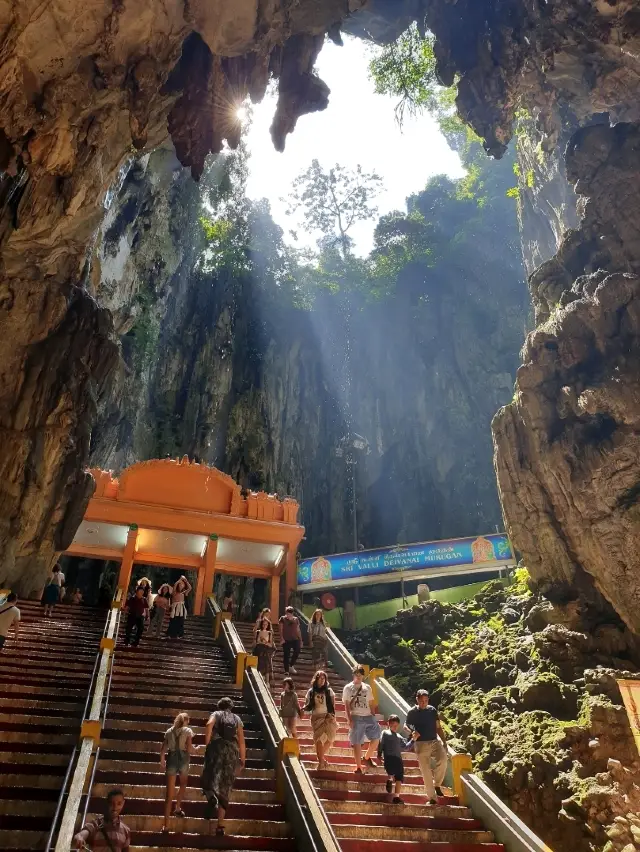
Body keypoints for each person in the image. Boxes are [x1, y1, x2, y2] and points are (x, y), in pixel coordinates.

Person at [202, 697, 246, 837]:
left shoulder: (216, 714)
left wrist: (207, 742)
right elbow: (242, 741)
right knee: (225, 787)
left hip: (216, 749)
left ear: (219, 705)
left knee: (207, 778)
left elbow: (209, 725)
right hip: (231, 752)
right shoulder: (237, 718)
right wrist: (242, 759)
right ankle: (220, 826)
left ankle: (211, 797)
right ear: (231, 707)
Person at [404, 688, 448, 804]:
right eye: (421, 701)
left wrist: (444, 741)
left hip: (434, 741)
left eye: (426, 701)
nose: (424, 703)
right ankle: (432, 798)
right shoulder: (412, 712)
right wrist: (412, 732)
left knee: (443, 760)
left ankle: (437, 785)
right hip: (421, 744)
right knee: (426, 771)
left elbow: (438, 727)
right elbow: (406, 725)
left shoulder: (432, 710)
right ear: (417, 700)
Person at [160, 712, 199, 832]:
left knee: (169, 794)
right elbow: (189, 748)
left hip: (171, 759)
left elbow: (163, 748)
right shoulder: (187, 731)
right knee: (183, 784)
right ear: (186, 721)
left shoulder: (169, 731)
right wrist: (196, 750)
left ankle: (166, 825)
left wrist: (162, 759)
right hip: (183, 760)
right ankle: (177, 807)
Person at [342, 665, 381, 774]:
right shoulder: (348, 688)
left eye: (360, 674)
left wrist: (374, 716)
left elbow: (370, 703)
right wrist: (349, 719)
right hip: (356, 716)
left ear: (363, 676)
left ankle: (367, 757)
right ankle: (358, 766)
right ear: (353, 675)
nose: (358, 677)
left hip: (368, 716)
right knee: (357, 742)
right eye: (356, 674)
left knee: (376, 738)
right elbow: (346, 705)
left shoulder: (367, 687)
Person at [304, 670, 337, 770]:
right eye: (320, 678)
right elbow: (308, 705)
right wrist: (303, 709)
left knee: (330, 739)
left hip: (328, 717)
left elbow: (332, 705)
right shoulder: (311, 692)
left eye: (324, 678)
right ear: (316, 678)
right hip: (316, 717)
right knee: (318, 739)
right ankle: (321, 762)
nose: (322, 680)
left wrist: (331, 716)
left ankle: (321, 757)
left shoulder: (329, 691)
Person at [378, 714, 412, 804]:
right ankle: (389, 780)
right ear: (388, 724)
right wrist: (379, 754)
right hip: (389, 757)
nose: (394, 727)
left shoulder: (399, 736)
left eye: (396, 726)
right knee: (390, 771)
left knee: (399, 777)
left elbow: (406, 747)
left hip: (398, 759)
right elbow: (381, 743)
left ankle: (396, 797)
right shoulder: (385, 733)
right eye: (392, 725)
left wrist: (413, 739)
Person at [279, 606, 302, 675]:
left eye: (291, 613)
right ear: (286, 613)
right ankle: (286, 670)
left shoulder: (296, 619)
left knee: (297, 650)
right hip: (286, 640)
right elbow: (280, 629)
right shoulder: (282, 619)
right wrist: (281, 638)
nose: (289, 614)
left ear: (292, 613)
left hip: (295, 639)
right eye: (288, 613)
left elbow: (298, 630)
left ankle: (291, 665)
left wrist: (301, 640)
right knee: (286, 654)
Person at [167, 575, 192, 639]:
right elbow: (175, 587)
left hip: (181, 608)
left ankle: (179, 634)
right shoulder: (175, 592)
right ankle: (171, 634)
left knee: (180, 621)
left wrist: (186, 581)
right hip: (175, 607)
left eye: (182, 585)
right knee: (173, 621)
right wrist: (179, 580)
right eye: (180, 585)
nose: (181, 586)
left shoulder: (184, 593)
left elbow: (190, 588)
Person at [254, 617, 275, 686]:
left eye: (266, 624)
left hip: (266, 649)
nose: (264, 626)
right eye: (263, 624)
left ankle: (267, 681)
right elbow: (256, 642)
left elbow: (270, 644)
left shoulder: (269, 633)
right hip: (259, 649)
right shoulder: (258, 632)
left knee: (266, 662)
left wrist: (265, 641)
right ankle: (259, 678)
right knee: (259, 662)